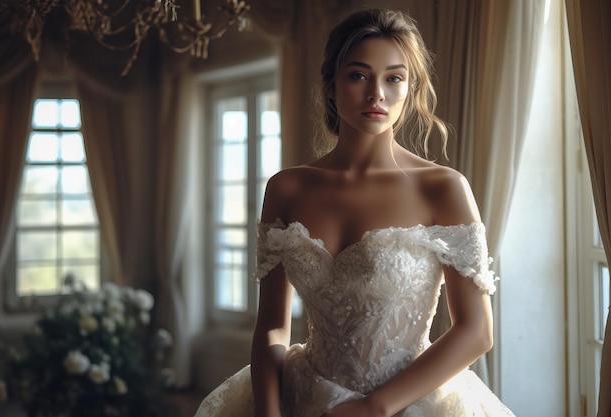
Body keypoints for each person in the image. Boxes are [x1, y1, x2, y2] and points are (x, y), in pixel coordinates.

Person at [194, 8, 515, 417]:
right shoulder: (286, 188)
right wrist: (269, 413)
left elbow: (476, 331)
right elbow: (273, 326)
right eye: (359, 75)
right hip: (301, 397)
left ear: (410, 89)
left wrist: (375, 407)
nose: (376, 93)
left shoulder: (442, 188)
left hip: (407, 402)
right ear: (331, 85)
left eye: (394, 78)